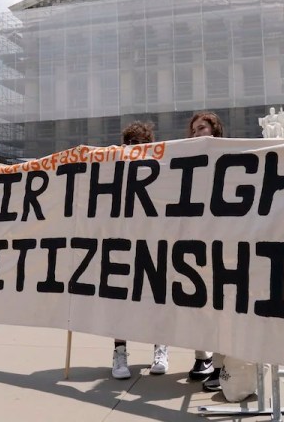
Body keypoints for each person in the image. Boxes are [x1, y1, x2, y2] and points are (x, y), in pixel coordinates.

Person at [111, 121, 169, 379]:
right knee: (119, 301)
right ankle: (119, 352)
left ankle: (160, 347)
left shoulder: (161, 170)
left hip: (153, 242)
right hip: (122, 243)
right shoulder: (113, 168)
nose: (135, 148)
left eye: (140, 144)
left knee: (155, 299)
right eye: (131, 143)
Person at [185, 112, 225, 391]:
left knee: (222, 307)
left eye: (203, 127)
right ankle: (203, 358)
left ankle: (222, 366)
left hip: (223, 243)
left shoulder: (229, 155)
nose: (198, 132)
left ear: (215, 130)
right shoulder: (186, 160)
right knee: (195, 303)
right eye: (194, 129)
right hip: (195, 242)